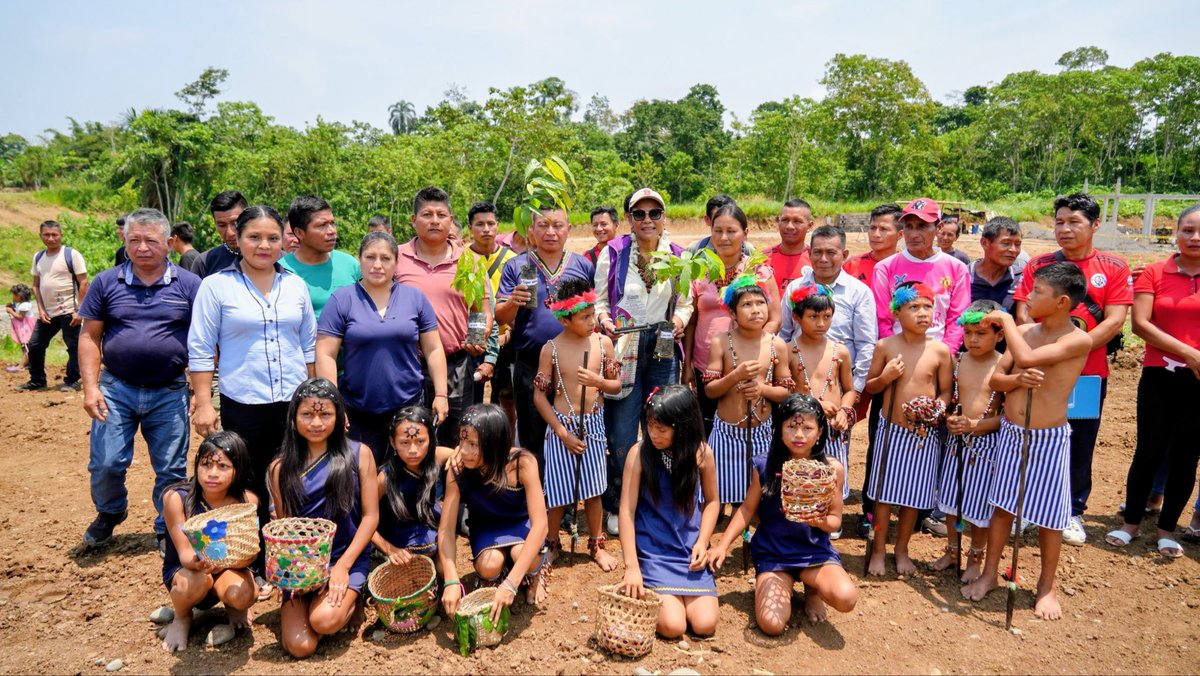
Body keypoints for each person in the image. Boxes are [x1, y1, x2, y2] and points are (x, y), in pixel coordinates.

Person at [962, 263, 1092, 621]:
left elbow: (1030, 357)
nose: (1028, 297)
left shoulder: (1077, 338)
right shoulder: (1026, 332)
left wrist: (1006, 324)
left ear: (1062, 301)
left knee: (1050, 516)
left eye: (1037, 292)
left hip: (1048, 438)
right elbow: (997, 382)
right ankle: (990, 574)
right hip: (1011, 433)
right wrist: (1018, 378)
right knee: (1002, 506)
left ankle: (1046, 586)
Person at [188, 205, 317, 537]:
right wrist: (203, 402)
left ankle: (295, 549)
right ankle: (254, 554)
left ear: (284, 241)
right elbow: (201, 348)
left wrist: (314, 398)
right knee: (248, 477)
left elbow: (308, 346)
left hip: (293, 401)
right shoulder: (216, 287)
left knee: (294, 474)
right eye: (254, 237)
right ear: (238, 238)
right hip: (243, 402)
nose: (264, 245)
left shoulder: (295, 286)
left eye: (273, 238)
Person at [1013, 193, 1132, 546]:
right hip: (1037, 371)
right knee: (1030, 435)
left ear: (1095, 225)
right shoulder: (1040, 263)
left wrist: (1070, 352)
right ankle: (1026, 508)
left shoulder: (1114, 266)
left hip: (1087, 374)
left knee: (1079, 440)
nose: (1064, 229)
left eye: (1074, 222)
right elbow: (1023, 313)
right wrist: (1046, 353)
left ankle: (1071, 511)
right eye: (1059, 221)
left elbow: (1114, 322)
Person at [78, 207, 202, 549]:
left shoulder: (191, 285)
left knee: (171, 468)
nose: (142, 247)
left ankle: (167, 527)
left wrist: (199, 390)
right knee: (106, 461)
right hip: (116, 388)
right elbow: (89, 337)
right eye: (135, 240)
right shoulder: (106, 282)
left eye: (150, 240)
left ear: (169, 242)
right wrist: (90, 388)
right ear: (125, 241)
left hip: (170, 389)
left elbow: (203, 340)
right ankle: (110, 511)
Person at [708, 394, 857, 634]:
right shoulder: (766, 465)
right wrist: (722, 546)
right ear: (779, 430)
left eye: (808, 428)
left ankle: (812, 590)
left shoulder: (832, 469)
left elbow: (835, 520)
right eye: (791, 427)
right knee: (772, 625)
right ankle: (780, 584)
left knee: (846, 598)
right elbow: (746, 510)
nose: (799, 435)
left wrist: (816, 519)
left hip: (813, 553)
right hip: (774, 553)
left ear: (820, 432)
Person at [594, 187, 692, 535]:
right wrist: (606, 322)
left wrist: (678, 323)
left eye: (654, 213)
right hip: (626, 343)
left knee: (662, 422)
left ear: (664, 218)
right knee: (622, 428)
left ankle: (656, 499)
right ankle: (618, 501)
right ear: (630, 220)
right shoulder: (615, 253)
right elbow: (600, 302)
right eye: (639, 214)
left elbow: (685, 304)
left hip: (663, 344)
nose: (647, 220)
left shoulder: (679, 256)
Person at [1106, 204, 1200, 558]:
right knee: (1148, 450)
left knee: (1187, 456)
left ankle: (1167, 530)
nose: (1195, 237)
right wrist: (1189, 353)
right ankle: (1131, 523)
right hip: (1160, 375)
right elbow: (1141, 325)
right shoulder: (1155, 273)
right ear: (1175, 233)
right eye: (1188, 229)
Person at [268, 378, 379, 658]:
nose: (316, 422)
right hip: (302, 564)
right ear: (293, 418)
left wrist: (341, 567)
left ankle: (355, 597)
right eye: (307, 414)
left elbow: (370, 518)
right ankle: (305, 601)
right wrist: (307, 574)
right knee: (300, 646)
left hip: (346, 556)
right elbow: (287, 530)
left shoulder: (359, 454)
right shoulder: (280, 468)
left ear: (340, 417)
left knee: (323, 621)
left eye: (325, 414)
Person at [316, 231, 447, 462]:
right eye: (370, 257)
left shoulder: (414, 298)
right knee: (361, 471)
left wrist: (441, 394)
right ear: (359, 259)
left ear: (397, 263)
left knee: (409, 468)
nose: (377, 265)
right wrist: (333, 402)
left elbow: (434, 348)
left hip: (408, 403)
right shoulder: (342, 300)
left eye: (386, 258)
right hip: (357, 408)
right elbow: (326, 353)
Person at [864, 282, 953, 576]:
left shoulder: (940, 351)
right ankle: (878, 549)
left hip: (923, 435)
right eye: (913, 307)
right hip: (892, 431)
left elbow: (945, 393)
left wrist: (938, 408)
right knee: (884, 495)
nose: (922, 313)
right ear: (897, 313)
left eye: (928, 306)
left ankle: (901, 550)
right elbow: (871, 386)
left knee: (913, 497)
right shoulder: (886, 346)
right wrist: (887, 376)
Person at [617, 385, 719, 639]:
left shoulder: (702, 454)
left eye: (661, 429)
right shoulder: (639, 454)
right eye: (650, 425)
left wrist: (703, 541)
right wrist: (631, 567)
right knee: (673, 626)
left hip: (689, 550)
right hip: (654, 550)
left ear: (683, 426)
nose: (653, 433)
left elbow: (713, 502)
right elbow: (626, 512)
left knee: (705, 624)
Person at [394, 187, 492, 447]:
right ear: (413, 220)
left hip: (456, 365)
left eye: (441, 214)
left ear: (451, 220)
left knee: (456, 436)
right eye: (427, 214)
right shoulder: (396, 257)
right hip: (407, 364)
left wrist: (476, 336)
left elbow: (480, 309)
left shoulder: (468, 260)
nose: (435, 220)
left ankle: (449, 487)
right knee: (410, 438)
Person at [496, 206, 594, 463]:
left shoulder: (582, 265)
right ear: (531, 230)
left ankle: (566, 496)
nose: (551, 232)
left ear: (569, 229)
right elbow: (500, 317)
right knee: (532, 430)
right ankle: (536, 493)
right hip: (530, 362)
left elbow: (594, 310)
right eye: (543, 225)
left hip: (572, 362)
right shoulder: (517, 266)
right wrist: (512, 302)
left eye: (557, 225)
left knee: (572, 425)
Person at [534, 279, 620, 569]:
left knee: (594, 490)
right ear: (565, 319)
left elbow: (616, 386)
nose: (592, 321)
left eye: (593, 313)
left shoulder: (603, 343)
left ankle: (596, 544)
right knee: (557, 493)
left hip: (593, 425)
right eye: (584, 317)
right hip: (561, 428)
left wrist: (598, 382)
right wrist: (561, 432)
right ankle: (551, 543)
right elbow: (539, 397)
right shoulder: (551, 350)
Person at [439, 404, 551, 615]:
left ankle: (534, 573)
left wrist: (511, 584)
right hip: (486, 527)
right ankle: (501, 572)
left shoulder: (522, 463)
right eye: (462, 441)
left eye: (473, 444)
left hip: (521, 524)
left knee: (521, 554)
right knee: (490, 565)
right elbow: (445, 530)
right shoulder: (457, 468)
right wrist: (451, 579)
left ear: (494, 443)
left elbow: (540, 525)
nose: (464, 451)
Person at [685, 203, 781, 431]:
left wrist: (756, 348)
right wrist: (687, 364)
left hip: (750, 365)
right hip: (705, 366)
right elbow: (692, 320)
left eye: (731, 231)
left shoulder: (759, 271)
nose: (724, 237)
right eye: (718, 231)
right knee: (707, 428)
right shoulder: (698, 270)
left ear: (745, 233)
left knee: (746, 426)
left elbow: (775, 318)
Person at [159, 431, 257, 652]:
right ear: (196, 466)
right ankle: (182, 617)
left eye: (223, 466)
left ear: (237, 469)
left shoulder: (247, 500)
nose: (212, 473)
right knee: (197, 581)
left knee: (242, 595)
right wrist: (199, 563)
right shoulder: (177, 499)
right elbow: (184, 553)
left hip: (230, 567)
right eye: (206, 464)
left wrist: (241, 561)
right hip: (189, 570)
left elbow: (250, 554)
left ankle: (233, 606)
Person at [929, 301, 1006, 581]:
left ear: (999, 335)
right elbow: (949, 397)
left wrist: (975, 425)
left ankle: (975, 556)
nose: (972, 339)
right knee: (950, 499)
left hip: (986, 446)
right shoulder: (957, 361)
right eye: (968, 332)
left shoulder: (1003, 366)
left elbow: (1007, 416)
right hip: (955, 442)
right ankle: (952, 551)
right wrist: (948, 415)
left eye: (981, 333)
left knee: (979, 506)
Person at [703, 274, 792, 505]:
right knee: (715, 495)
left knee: (755, 499)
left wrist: (763, 389)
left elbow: (785, 393)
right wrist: (735, 376)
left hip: (762, 434)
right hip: (725, 434)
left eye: (760, 303)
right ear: (732, 313)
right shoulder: (721, 342)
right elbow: (710, 391)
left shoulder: (777, 344)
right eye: (746, 304)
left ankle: (748, 538)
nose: (756, 310)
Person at [779, 225, 876, 403]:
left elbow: (866, 344)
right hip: (797, 384)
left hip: (839, 385)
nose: (823, 259)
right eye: (817, 252)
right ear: (809, 254)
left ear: (844, 255)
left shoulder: (859, 292)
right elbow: (784, 332)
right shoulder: (795, 288)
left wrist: (854, 389)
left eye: (831, 252)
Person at [785, 284, 855, 524]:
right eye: (813, 317)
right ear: (796, 317)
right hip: (800, 427)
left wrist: (845, 410)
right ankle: (798, 520)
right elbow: (784, 391)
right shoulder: (788, 351)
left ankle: (829, 520)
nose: (821, 323)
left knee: (831, 472)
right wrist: (814, 404)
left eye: (827, 317)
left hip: (833, 428)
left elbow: (850, 389)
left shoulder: (841, 351)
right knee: (800, 474)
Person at [372, 406, 453, 566]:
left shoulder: (436, 456)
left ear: (431, 439)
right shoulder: (386, 477)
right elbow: (363, 518)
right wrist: (389, 549)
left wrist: (457, 456)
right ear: (392, 442)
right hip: (397, 529)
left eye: (420, 441)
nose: (413, 450)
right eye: (405, 442)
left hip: (427, 520)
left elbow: (462, 453)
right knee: (424, 548)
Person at [18, 220, 89, 392]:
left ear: (61, 235)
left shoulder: (71, 255)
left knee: (73, 346)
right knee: (34, 345)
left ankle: (72, 380)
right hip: (47, 313)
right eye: (46, 235)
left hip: (69, 311)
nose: (51, 238)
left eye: (54, 235)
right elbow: (35, 284)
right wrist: (41, 309)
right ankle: (37, 380)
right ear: (40, 236)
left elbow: (84, 283)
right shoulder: (38, 257)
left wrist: (79, 310)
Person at [464, 200, 516, 408]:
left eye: (491, 223)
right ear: (470, 228)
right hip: (475, 339)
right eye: (479, 224)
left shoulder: (512, 260)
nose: (486, 229)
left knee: (506, 399)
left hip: (507, 338)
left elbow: (523, 303)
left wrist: (509, 333)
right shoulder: (463, 260)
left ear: (498, 225)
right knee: (473, 400)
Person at [280, 195, 360, 319]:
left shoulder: (350, 264)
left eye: (332, 223)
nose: (331, 231)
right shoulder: (281, 271)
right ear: (299, 233)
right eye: (322, 225)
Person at [969, 217, 1024, 312]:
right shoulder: (963, 277)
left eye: (1017, 244)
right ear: (984, 243)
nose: (1014, 250)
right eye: (1006, 243)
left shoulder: (1020, 278)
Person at [761, 198, 814, 296]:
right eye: (785, 220)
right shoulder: (761, 258)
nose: (789, 226)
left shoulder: (817, 259)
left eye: (797, 221)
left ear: (810, 226)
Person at [842, 203, 902, 286]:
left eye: (883, 229)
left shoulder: (907, 265)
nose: (875, 234)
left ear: (900, 235)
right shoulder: (850, 265)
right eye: (872, 228)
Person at [192, 191, 246, 279]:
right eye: (222, 225)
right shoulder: (204, 262)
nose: (230, 233)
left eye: (235, 223)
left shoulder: (268, 256)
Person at [6, 283, 35, 373]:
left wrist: (11, 311)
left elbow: (20, 317)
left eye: (14, 295)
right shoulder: (21, 304)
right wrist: (13, 308)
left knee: (26, 347)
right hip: (23, 329)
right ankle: (29, 363)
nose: (13, 297)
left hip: (25, 329)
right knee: (24, 346)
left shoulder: (25, 305)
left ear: (19, 296)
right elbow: (18, 313)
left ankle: (21, 366)